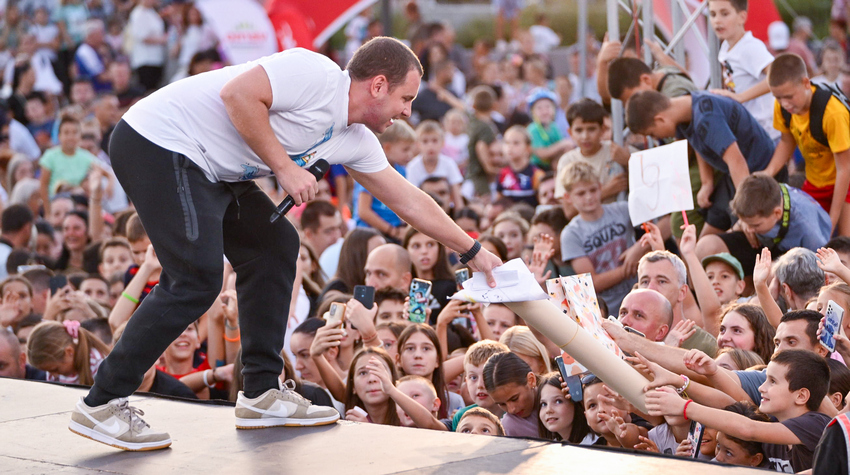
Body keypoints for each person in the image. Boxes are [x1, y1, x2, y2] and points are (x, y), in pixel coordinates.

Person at [70, 37, 502, 451]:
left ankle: (260, 393)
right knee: (196, 280)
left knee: (276, 245)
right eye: (405, 98)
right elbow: (238, 95)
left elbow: (408, 200)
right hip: (156, 141)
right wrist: (284, 167)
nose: (407, 111)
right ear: (377, 86)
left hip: (212, 169)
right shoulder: (314, 73)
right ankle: (101, 402)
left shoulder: (354, 139)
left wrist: (473, 250)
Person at [646, 349, 831, 472]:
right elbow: (733, 403)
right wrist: (681, 380)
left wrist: (685, 407)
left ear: (801, 396)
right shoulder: (774, 424)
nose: (761, 388)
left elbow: (748, 429)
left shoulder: (816, 424)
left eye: (773, 382)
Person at [626, 89, 778, 234]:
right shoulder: (684, 110)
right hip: (733, 177)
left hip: (756, 178)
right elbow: (698, 141)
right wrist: (707, 182)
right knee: (704, 242)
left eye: (652, 133)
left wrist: (745, 215)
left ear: (660, 119)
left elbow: (737, 162)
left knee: (744, 232)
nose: (655, 138)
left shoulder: (706, 118)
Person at [764, 53, 850, 235]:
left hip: (845, 179)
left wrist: (831, 222)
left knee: (844, 241)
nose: (784, 103)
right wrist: (767, 173)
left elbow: (844, 169)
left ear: (805, 83)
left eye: (789, 96)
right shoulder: (784, 106)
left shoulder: (833, 113)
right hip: (816, 181)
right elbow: (787, 141)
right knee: (808, 237)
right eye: (778, 98)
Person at [695, 174, 831, 276]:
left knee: (769, 274)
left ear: (777, 213)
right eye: (746, 222)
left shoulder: (807, 227)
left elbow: (818, 268)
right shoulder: (761, 194)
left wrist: (778, 266)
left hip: (795, 261)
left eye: (755, 225)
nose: (749, 229)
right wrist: (742, 225)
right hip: (762, 245)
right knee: (706, 246)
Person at [559, 161, 646, 312]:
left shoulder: (622, 209)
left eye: (593, 190)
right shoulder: (571, 234)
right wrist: (628, 266)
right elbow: (592, 282)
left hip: (641, 292)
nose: (589, 197)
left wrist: (639, 248)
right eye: (581, 193)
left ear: (600, 187)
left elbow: (659, 227)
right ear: (568, 197)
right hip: (610, 307)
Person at [555, 99, 629, 211]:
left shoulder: (616, 150)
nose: (585, 136)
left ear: (602, 130)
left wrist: (628, 161)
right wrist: (606, 191)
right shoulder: (567, 161)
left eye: (591, 129)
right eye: (579, 130)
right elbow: (569, 211)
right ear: (570, 132)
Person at [353, 120, 416, 241]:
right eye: (405, 149)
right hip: (369, 232)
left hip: (394, 230)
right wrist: (392, 231)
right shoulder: (369, 170)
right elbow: (363, 211)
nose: (410, 154)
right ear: (387, 148)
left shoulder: (402, 171)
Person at [27, 320, 109, 385]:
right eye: (48, 371)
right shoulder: (54, 372)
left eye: (55, 369)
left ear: (69, 352)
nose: (53, 375)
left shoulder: (97, 364)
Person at [405, 120, 463, 209]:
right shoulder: (412, 167)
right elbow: (411, 197)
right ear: (418, 144)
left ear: (442, 143)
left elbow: (457, 197)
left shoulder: (449, 163)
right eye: (425, 141)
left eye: (435, 141)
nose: (430, 146)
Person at [537, 372, 594, 444]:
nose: (548, 410)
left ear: (576, 404)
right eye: (544, 404)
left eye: (558, 401)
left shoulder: (595, 445)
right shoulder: (552, 446)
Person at [496, 125, 545, 207]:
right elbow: (498, 202)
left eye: (516, 143)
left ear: (528, 148)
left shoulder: (537, 174)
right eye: (507, 142)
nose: (510, 147)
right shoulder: (502, 174)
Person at [526, 88, 571, 171]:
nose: (544, 112)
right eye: (539, 108)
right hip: (537, 168)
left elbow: (563, 148)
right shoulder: (533, 129)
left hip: (552, 166)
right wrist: (562, 144)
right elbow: (542, 153)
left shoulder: (554, 127)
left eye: (548, 107)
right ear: (532, 112)